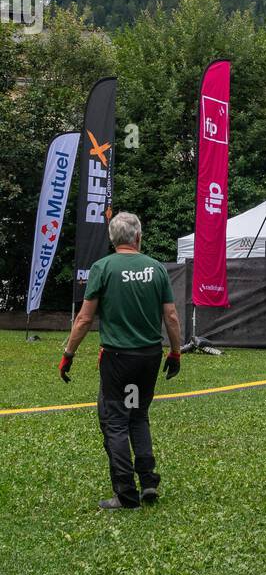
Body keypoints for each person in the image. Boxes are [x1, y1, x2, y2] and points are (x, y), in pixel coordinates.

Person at [59, 211, 182, 511]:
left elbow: (85, 318)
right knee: (137, 416)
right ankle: (149, 481)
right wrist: (175, 352)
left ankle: (126, 495)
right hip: (149, 356)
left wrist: (68, 354)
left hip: (117, 358)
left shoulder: (102, 268)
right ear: (138, 237)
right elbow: (172, 317)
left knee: (116, 422)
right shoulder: (156, 269)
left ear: (113, 239)